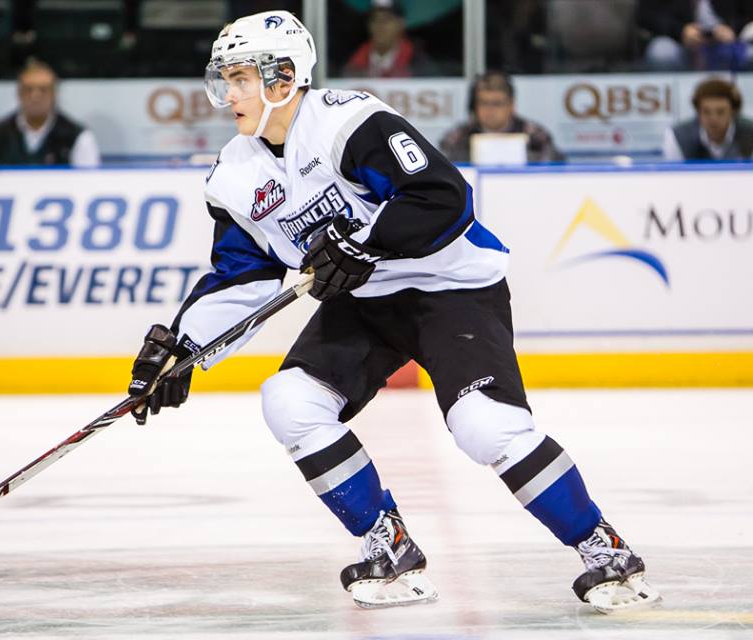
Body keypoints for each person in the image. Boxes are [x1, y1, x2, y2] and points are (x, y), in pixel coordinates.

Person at [126, 10, 659, 611]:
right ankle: (389, 543)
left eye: (241, 79)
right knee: (290, 400)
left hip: (449, 287)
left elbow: (441, 196)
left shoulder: (347, 123)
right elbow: (241, 275)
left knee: (485, 426)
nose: (229, 95)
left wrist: (365, 243)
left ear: (284, 78)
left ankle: (604, 550)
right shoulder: (234, 173)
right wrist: (183, 348)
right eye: (224, 80)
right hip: (366, 302)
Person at [0, 59, 100, 168]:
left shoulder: (78, 136)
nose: (35, 96)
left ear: (54, 94)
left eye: (43, 90)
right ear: (19, 93)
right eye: (29, 89)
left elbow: (89, 182)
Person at [437, 70, 563, 164]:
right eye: (483, 103)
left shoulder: (536, 138)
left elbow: (553, 172)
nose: (490, 110)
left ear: (511, 105)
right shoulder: (456, 139)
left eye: (497, 103)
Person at [638, 0, 753, 71]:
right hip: (680, 45)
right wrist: (680, 31)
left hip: (728, 47)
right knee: (662, 53)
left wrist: (733, 30)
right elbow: (646, 15)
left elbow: (748, 13)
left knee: (750, 55)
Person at [663, 77, 753, 161]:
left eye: (720, 112)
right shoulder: (677, 136)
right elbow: (674, 171)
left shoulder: (750, 133)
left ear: (733, 112)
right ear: (698, 112)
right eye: (706, 112)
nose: (713, 119)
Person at [342, 0, 433, 78]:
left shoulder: (418, 63)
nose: (380, 25)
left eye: (387, 19)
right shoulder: (353, 61)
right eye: (375, 19)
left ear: (401, 24)